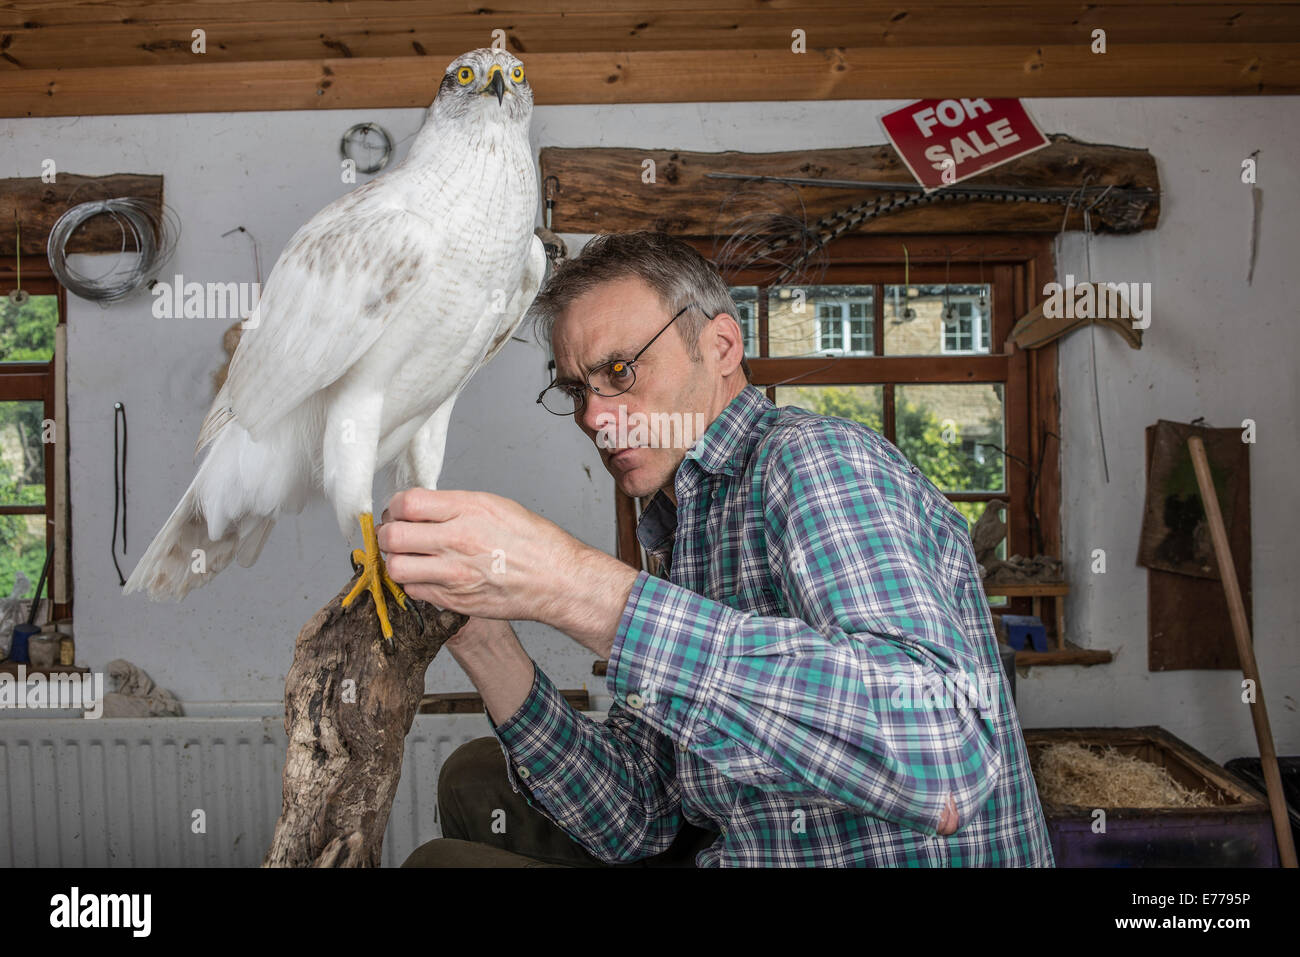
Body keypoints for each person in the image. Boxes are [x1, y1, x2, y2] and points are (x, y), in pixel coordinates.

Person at [384, 231, 1054, 867]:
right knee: (472, 778)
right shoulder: (684, 525)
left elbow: (944, 758)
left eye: (619, 370)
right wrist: (483, 639)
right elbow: (636, 816)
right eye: (576, 388)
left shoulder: (812, 460)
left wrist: (577, 587)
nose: (592, 415)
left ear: (722, 346)